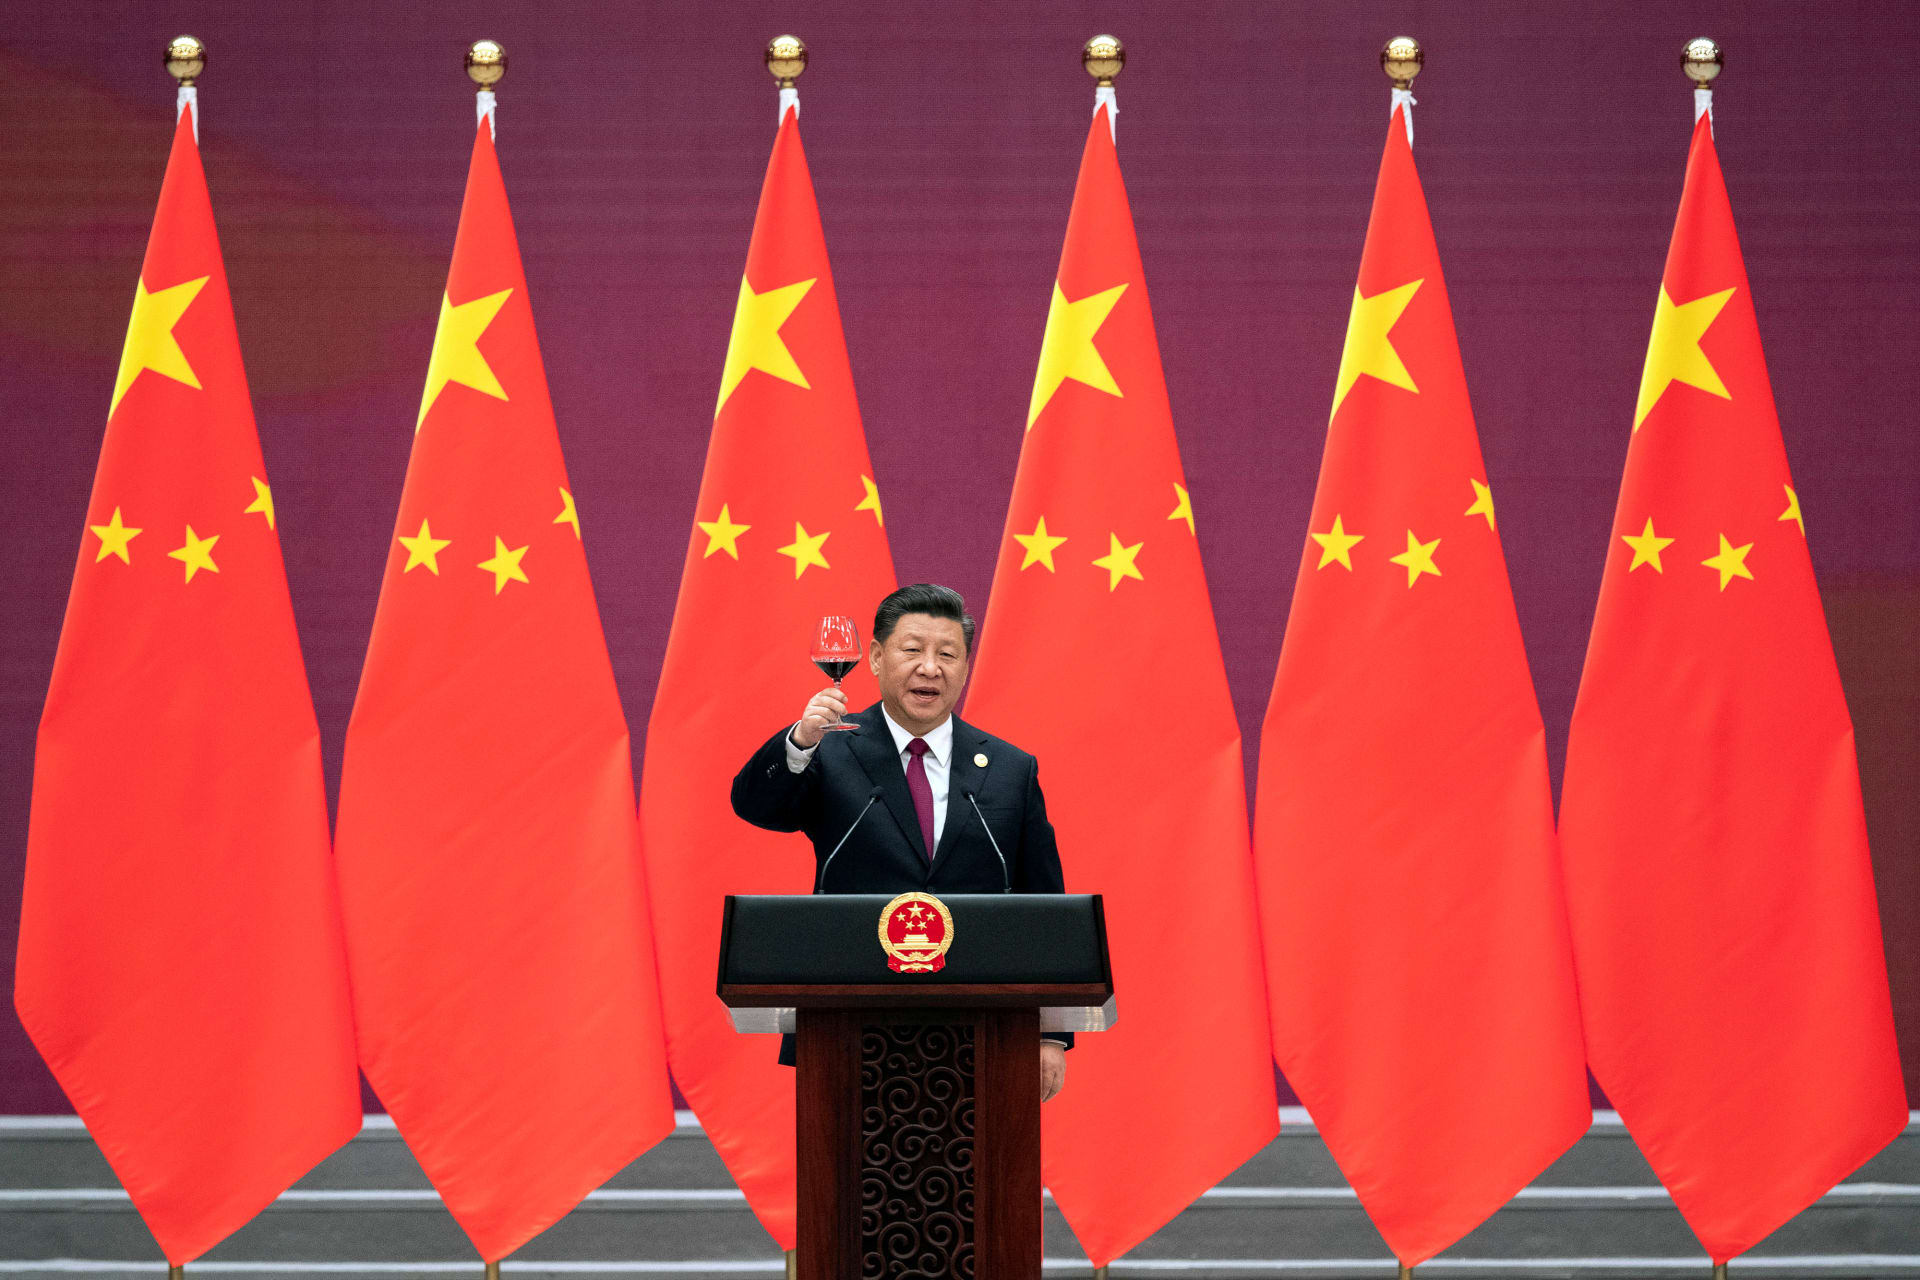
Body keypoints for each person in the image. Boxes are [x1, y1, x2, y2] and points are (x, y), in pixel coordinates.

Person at [731, 583, 1070, 1101]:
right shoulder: (830, 749)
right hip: (848, 1022)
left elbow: (1045, 904)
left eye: (947, 654)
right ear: (875, 656)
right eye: (913, 649)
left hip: (983, 1026)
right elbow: (757, 807)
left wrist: (1051, 1033)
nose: (930, 668)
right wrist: (799, 743)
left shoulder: (1009, 769)